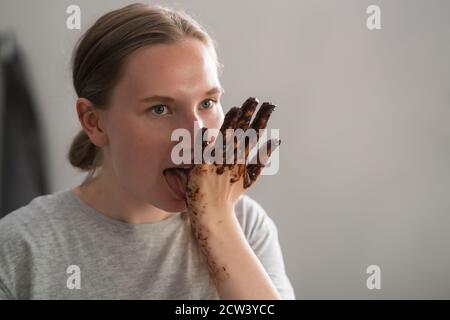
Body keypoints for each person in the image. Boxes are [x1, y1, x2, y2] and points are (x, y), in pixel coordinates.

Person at [0, 3, 295, 300]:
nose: (198, 136)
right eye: (160, 108)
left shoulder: (246, 225)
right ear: (94, 122)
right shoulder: (19, 248)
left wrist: (218, 223)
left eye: (207, 103)